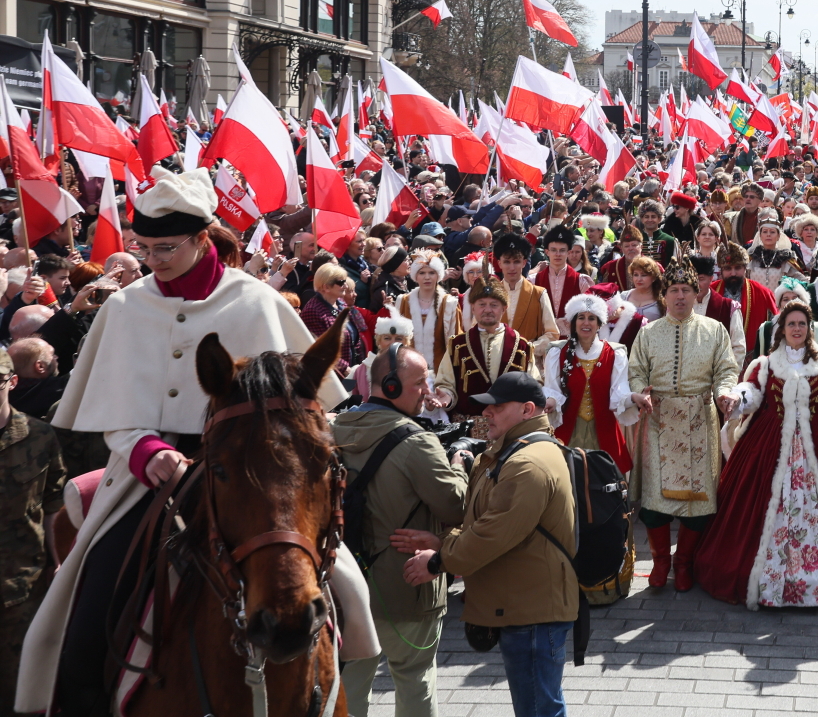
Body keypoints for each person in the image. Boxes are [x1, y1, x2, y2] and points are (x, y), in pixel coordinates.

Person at [19, 168, 372, 716]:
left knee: (345, 584)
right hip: (145, 473)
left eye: (166, 248)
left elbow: (295, 409)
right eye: (146, 248)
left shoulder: (255, 302)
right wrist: (145, 450)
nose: (153, 259)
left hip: (246, 469)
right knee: (91, 586)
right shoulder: (125, 307)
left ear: (203, 238)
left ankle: (342, 686)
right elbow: (115, 410)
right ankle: (78, 698)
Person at [394, 372, 577, 717]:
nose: (486, 413)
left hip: (533, 613)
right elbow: (483, 524)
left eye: (496, 406)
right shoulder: (509, 453)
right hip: (524, 604)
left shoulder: (528, 464)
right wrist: (443, 541)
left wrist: (438, 560)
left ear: (526, 410)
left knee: (538, 710)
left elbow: (491, 535)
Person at [693, 298, 818, 608]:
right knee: (751, 504)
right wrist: (735, 397)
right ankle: (766, 577)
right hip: (769, 442)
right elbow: (752, 391)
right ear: (782, 330)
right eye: (791, 324)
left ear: (810, 329)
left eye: (802, 324)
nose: (797, 329)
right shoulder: (765, 364)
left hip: (817, 441)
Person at [336, 346, 470, 717]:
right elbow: (455, 506)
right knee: (415, 680)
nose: (427, 390)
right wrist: (459, 464)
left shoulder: (333, 429)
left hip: (346, 589)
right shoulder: (416, 442)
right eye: (420, 381)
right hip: (408, 587)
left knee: (350, 688)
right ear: (391, 386)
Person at [628, 257, 740, 591]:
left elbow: (726, 369)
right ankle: (661, 561)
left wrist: (724, 393)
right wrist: (639, 392)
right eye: (674, 290)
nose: (680, 296)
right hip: (658, 418)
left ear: (696, 294)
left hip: (698, 418)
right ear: (664, 296)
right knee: (654, 503)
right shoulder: (649, 333)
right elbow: (635, 370)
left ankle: (684, 562)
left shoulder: (714, 330)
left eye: (686, 290)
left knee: (700, 500)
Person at [0, 346, 66, 717]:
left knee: (21, 697)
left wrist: (61, 564)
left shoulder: (40, 437)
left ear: (12, 382)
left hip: (23, 588)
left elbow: (54, 505)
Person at [544, 294, 637, 473]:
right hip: (568, 431)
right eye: (581, 317)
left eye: (592, 318)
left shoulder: (615, 354)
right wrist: (550, 401)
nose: (586, 323)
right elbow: (552, 390)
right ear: (573, 321)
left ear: (599, 323)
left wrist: (634, 397)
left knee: (601, 485)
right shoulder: (557, 352)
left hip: (603, 431)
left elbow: (620, 392)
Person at [436, 280, 539, 435]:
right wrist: (446, 397)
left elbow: (534, 386)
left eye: (494, 305)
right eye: (482, 304)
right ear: (473, 307)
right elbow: (446, 383)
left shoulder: (521, 346)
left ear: (504, 308)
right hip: (468, 431)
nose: (487, 310)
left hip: (510, 430)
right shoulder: (458, 344)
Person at [395, 250, 461, 371]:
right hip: (408, 367)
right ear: (416, 276)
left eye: (431, 272)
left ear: (438, 275)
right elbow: (396, 339)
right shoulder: (403, 302)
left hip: (441, 368)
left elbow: (456, 340)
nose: (427, 277)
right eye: (422, 273)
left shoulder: (449, 304)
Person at [495, 235, 559, 359]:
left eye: (516, 262)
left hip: (529, 362)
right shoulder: (490, 295)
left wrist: (528, 348)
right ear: (499, 263)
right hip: (497, 360)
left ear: (524, 263)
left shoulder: (539, 293)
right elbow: (478, 329)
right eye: (507, 262)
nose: (512, 268)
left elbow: (552, 333)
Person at [712, 243, 777, 357]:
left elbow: (776, 326)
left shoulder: (763, 293)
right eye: (728, 268)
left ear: (745, 268)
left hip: (752, 361)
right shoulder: (710, 292)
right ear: (721, 270)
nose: (733, 273)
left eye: (738, 268)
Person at [534, 226, 591, 337]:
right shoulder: (534, 280)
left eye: (562, 250)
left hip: (572, 339)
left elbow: (589, 312)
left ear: (568, 252)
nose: (558, 254)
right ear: (547, 252)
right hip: (542, 339)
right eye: (554, 250)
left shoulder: (582, 281)